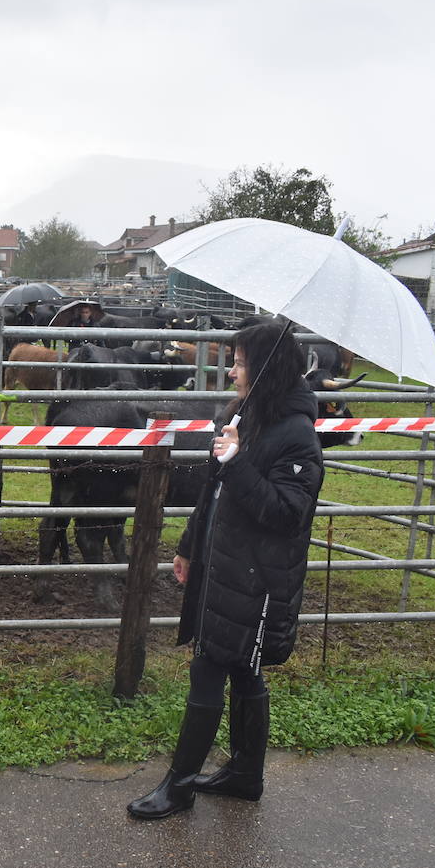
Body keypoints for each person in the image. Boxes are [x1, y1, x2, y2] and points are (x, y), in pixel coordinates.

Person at [128, 321, 324, 820]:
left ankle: (180, 786)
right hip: (222, 563)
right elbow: (213, 490)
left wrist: (237, 462)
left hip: (257, 578)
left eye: (239, 362)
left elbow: (286, 513)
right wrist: (190, 545)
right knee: (242, 667)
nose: (232, 370)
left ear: (266, 369)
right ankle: (245, 775)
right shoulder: (241, 413)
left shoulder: (298, 435)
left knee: (211, 666)